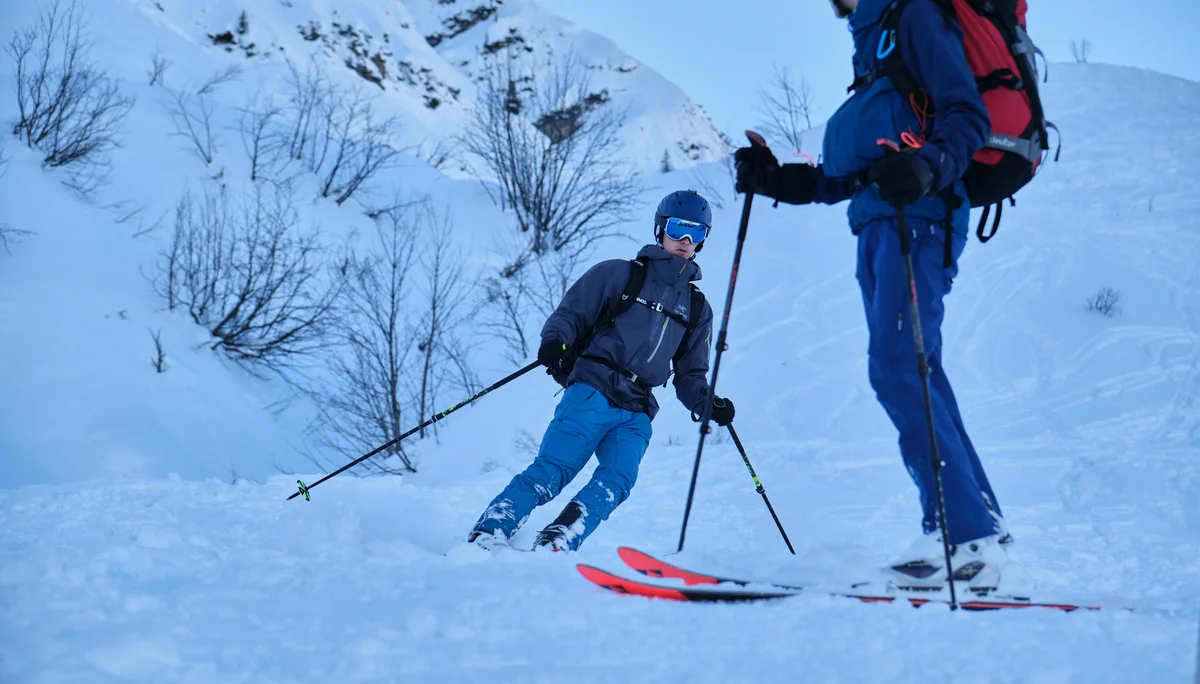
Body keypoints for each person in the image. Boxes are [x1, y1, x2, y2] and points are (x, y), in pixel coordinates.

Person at [734, 0, 1011, 589]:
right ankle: (981, 531)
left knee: (897, 367)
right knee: (917, 370)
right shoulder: (872, 42)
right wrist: (776, 178)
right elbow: (856, 172)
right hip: (881, 223)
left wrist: (929, 167)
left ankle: (964, 539)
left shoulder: (914, 16)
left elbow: (967, 115)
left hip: (920, 219)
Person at [467, 190, 735, 552]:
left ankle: (559, 538)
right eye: (678, 229)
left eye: (696, 232)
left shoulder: (698, 308)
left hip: (637, 409)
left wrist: (706, 402)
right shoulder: (620, 274)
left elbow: (690, 375)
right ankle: (490, 530)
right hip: (593, 390)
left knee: (617, 481)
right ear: (661, 229)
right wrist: (555, 341)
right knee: (553, 471)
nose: (686, 240)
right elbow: (570, 314)